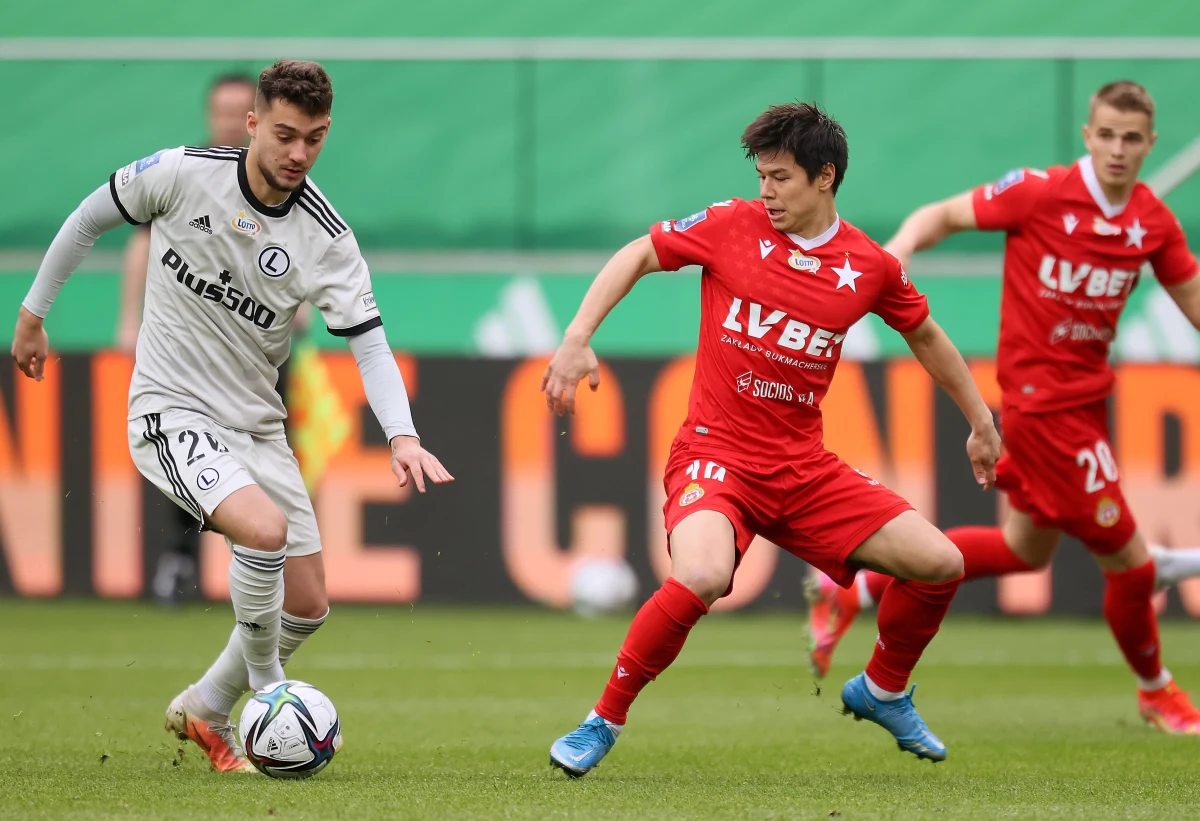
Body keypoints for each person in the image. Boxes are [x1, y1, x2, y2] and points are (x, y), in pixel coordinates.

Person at [11, 59, 453, 772]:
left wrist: (401, 433)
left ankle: (204, 705)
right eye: (284, 134)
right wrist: (32, 315)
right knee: (265, 531)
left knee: (307, 603)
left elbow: (369, 344)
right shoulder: (183, 175)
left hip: (257, 426)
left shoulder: (327, 238)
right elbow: (90, 216)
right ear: (252, 123)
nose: (298, 153)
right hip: (170, 409)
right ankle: (268, 692)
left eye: (314, 138)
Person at [541, 102, 1001, 776]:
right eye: (761, 175)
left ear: (825, 177)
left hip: (803, 470)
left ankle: (883, 687)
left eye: (780, 177)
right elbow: (640, 252)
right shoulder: (731, 226)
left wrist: (980, 420)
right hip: (714, 454)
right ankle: (601, 720)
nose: (766, 191)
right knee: (702, 573)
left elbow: (925, 335)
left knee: (940, 562)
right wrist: (576, 337)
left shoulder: (867, 265)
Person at [805, 80, 1200, 734]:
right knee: (1129, 562)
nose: (1118, 149)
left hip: (1087, 404)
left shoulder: (1152, 220)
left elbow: (1191, 300)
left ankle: (858, 586)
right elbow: (941, 215)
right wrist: (892, 259)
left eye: (1132, 138)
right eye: (1106, 134)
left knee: (1024, 550)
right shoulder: (1041, 193)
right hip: (1043, 411)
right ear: (1087, 135)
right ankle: (1157, 689)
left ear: (1150, 144)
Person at [116, 73, 260, 607]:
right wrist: (129, 320)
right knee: (190, 450)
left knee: (265, 454)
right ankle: (179, 560)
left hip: (256, 356)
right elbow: (140, 241)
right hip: (189, 353)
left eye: (238, 111)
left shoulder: (277, 184)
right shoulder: (185, 175)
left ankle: (259, 563)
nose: (227, 122)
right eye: (220, 111)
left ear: (256, 118)